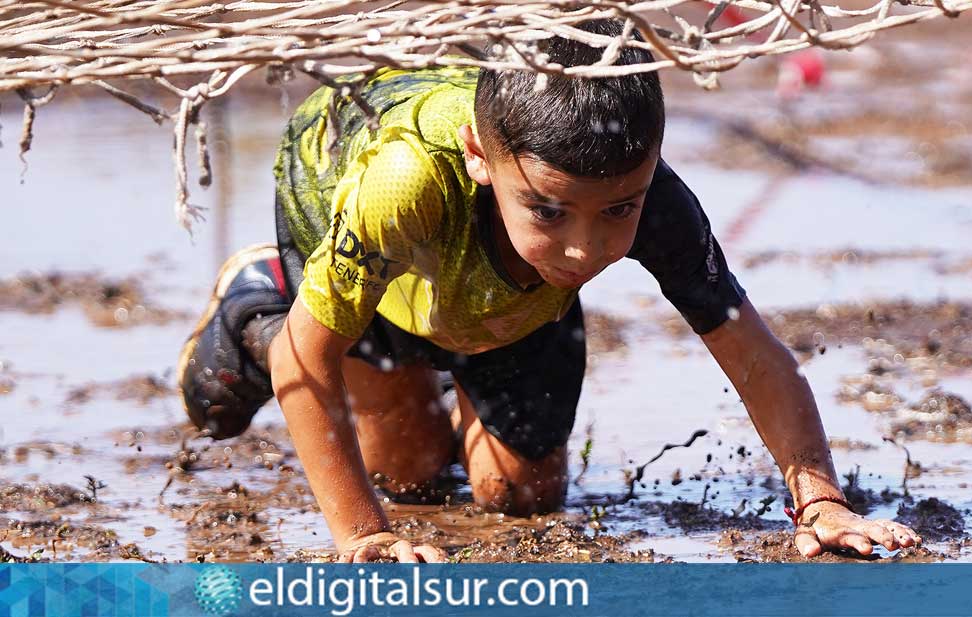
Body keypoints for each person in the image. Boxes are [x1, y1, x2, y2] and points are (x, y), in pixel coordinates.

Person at [177, 19, 921, 563]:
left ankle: (461, 353)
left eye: (617, 212)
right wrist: (362, 533)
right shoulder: (398, 185)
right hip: (355, 218)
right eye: (549, 210)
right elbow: (309, 365)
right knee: (401, 473)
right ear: (478, 155)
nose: (585, 249)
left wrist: (820, 499)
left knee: (519, 495)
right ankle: (259, 304)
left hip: (493, 288)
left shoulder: (656, 201)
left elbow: (756, 355)